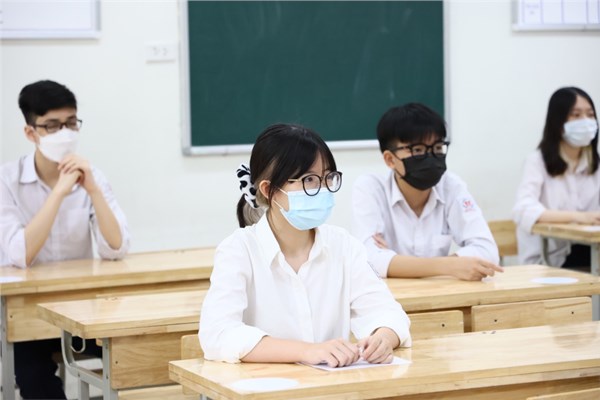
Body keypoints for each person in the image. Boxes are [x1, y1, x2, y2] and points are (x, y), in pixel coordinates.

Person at [199, 123, 411, 367]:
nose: (322, 188)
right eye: (309, 180)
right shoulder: (238, 250)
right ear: (269, 190)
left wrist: (383, 337)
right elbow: (218, 335)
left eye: (328, 177)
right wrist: (306, 351)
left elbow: (387, 312)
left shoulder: (344, 245)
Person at [0, 80, 130, 399]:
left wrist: (93, 190)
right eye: (52, 125)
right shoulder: (7, 180)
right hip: (27, 312)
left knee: (128, 356)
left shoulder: (91, 175)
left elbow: (117, 248)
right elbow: (19, 254)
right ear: (31, 133)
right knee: (33, 376)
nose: (65, 133)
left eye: (71, 123)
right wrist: (59, 191)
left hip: (81, 309)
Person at [352, 103, 502, 281]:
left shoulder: (451, 186)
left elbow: (487, 251)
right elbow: (368, 260)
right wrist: (450, 266)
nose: (430, 157)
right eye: (418, 150)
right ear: (390, 159)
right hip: (389, 295)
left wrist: (394, 263)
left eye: (437, 148)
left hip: (440, 293)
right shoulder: (371, 188)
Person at [513, 87, 600, 268]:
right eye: (576, 115)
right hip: (549, 258)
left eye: (590, 115)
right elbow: (523, 209)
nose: (585, 121)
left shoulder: (594, 163)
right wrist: (579, 217)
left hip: (589, 251)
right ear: (558, 122)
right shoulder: (537, 161)